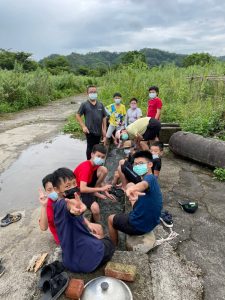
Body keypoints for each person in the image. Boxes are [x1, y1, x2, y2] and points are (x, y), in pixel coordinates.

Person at [52, 168, 115, 273]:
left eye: (74, 183)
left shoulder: (57, 205)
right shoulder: (65, 203)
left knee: (97, 229)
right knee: (109, 242)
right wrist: (77, 208)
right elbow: (70, 206)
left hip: (69, 260)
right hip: (86, 264)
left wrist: (88, 222)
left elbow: (75, 212)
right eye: (67, 186)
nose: (73, 188)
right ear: (57, 189)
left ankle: (95, 239)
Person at [108, 151, 162, 246]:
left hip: (139, 226)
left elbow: (143, 185)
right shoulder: (152, 178)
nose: (137, 166)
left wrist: (132, 189)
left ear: (150, 164)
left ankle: (113, 247)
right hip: (152, 222)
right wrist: (131, 188)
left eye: (141, 163)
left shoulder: (149, 179)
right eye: (135, 164)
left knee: (110, 219)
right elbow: (140, 185)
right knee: (130, 184)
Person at [74, 144, 114, 223]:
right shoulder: (86, 167)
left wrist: (106, 192)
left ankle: (94, 192)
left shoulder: (95, 165)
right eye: (98, 156)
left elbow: (100, 180)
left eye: (102, 157)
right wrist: (101, 189)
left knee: (104, 170)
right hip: (80, 190)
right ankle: (98, 225)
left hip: (88, 184)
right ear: (92, 154)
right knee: (95, 209)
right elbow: (83, 188)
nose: (100, 159)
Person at [38, 172, 77, 244]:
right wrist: (44, 206)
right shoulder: (49, 205)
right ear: (46, 191)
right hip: (62, 236)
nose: (53, 191)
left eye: (54, 188)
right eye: (49, 190)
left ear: (59, 188)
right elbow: (43, 227)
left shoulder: (67, 195)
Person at [76, 85, 107, 159]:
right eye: (91, 92)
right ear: (87, 93)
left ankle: (95, 163)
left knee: (97, 148)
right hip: (89, 131)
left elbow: (104, 117)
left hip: (98, 131)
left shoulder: (100, 104)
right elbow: (77, 115)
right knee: (90, 148)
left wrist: (104, 130)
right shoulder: (84, 104)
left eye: (94, 92)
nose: (93, 93)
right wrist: (83, 126)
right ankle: (89, 162)